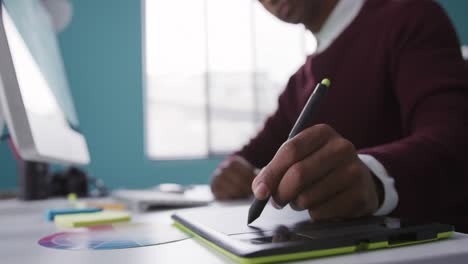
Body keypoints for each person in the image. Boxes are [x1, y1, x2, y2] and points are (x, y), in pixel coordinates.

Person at [210, 0, 468, 232]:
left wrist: (375, 177)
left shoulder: (410, 17)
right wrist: (234, 169)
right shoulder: (300, 81)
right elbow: (255, 151)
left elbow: (454, 139)